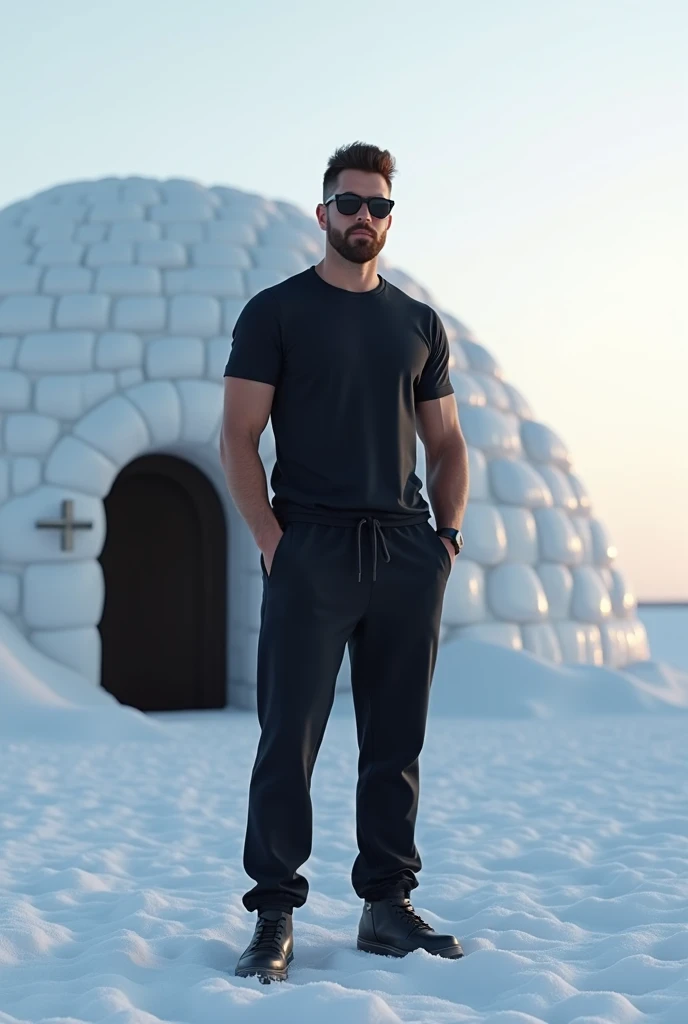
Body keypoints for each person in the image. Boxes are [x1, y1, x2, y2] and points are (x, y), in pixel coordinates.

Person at [220, 142, 469, 983]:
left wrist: (448, 537)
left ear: (391, 218)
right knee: (289, 734)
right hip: (311, 545)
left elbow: (447, 442)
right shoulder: (276, 313)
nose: (365, 217)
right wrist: (271, 540)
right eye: (350, 203)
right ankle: (275, 915)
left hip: (404, 547)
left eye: (379, 206)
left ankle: (386, 908)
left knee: (395, 740)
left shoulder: (417, 322)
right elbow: (238, 437)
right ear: (321, 211)